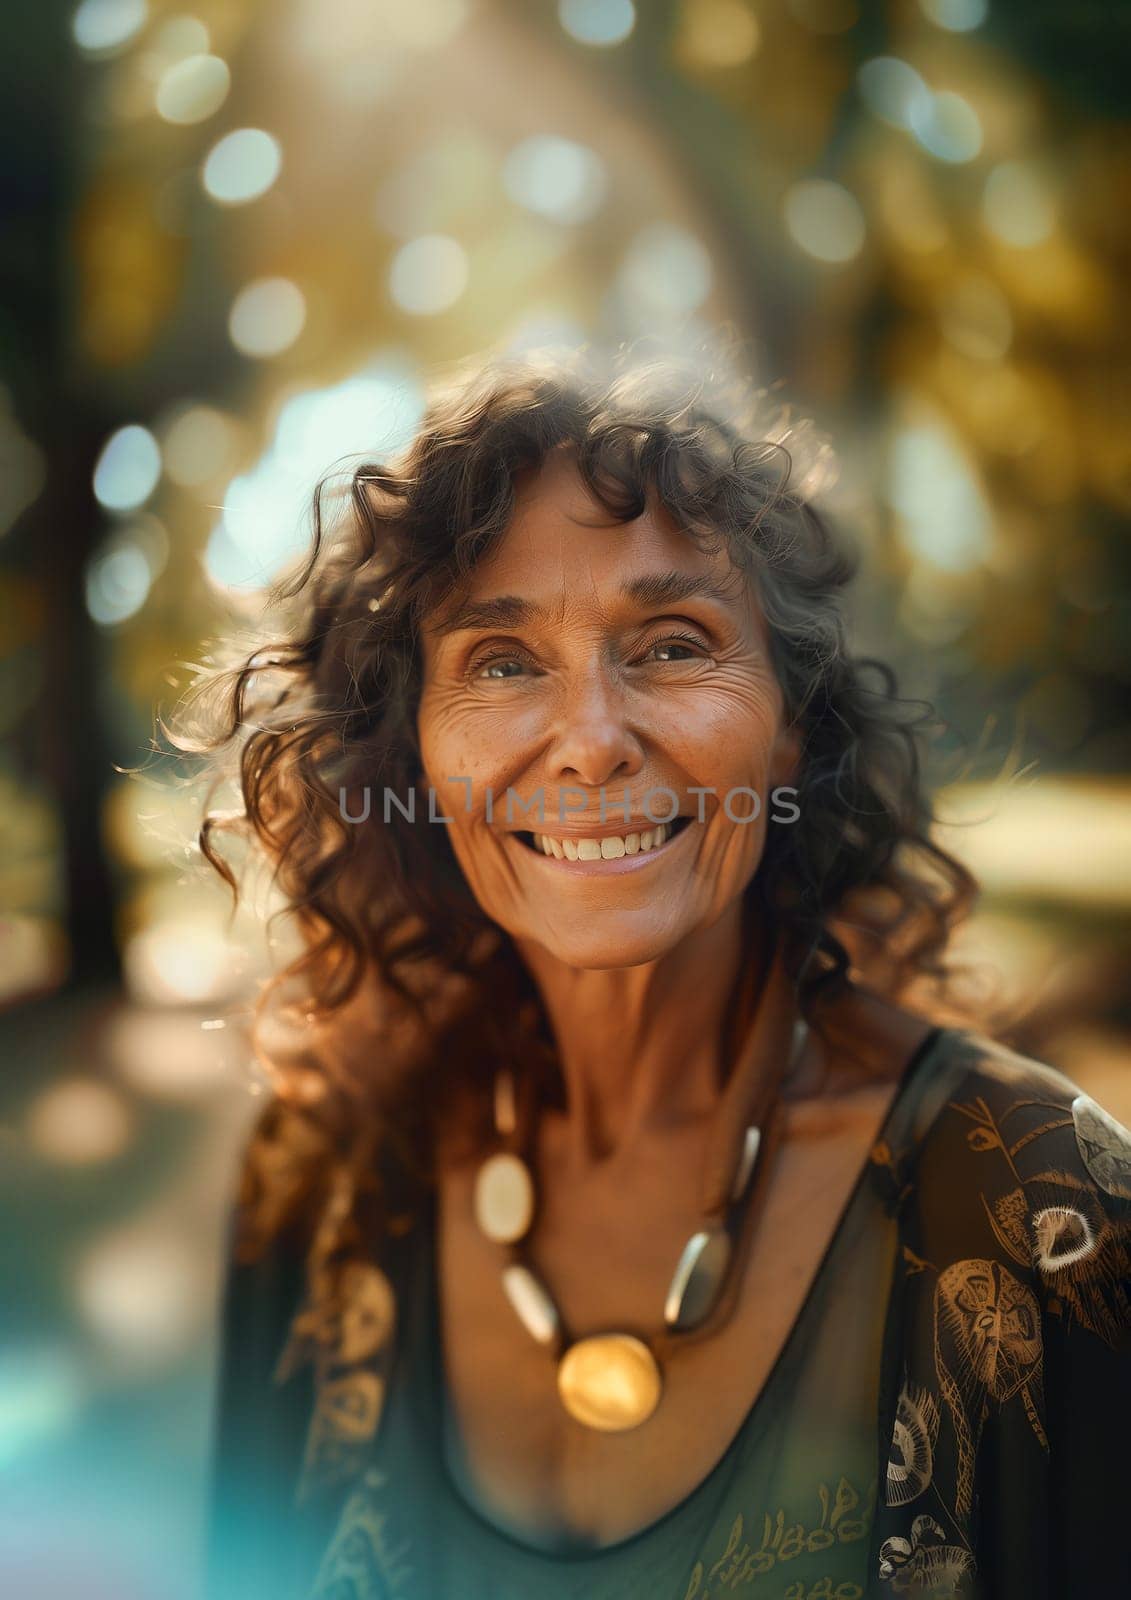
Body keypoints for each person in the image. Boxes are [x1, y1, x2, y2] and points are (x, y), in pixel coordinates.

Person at [189, 351, 1131, 1600]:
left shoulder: (1047, 1213)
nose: (590, 742)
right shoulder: (323, 1186)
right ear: (413, 750)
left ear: (793, 726)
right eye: (502, 662)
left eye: (674, 645)